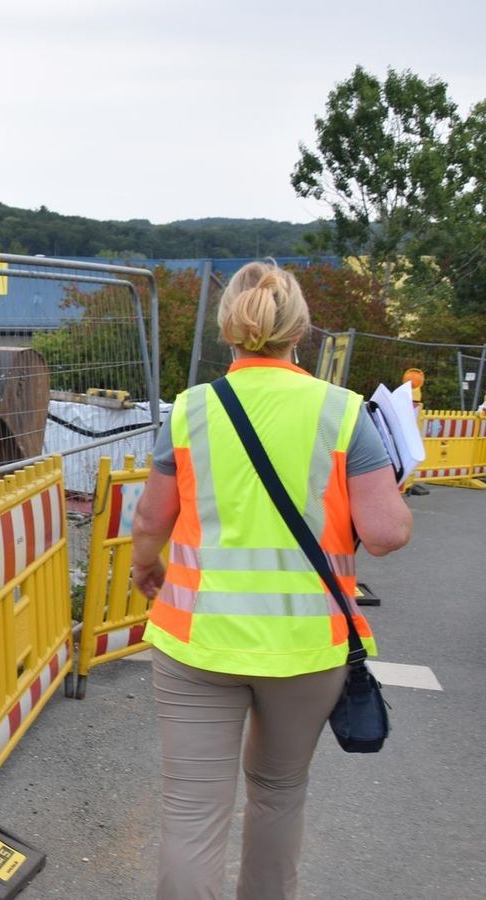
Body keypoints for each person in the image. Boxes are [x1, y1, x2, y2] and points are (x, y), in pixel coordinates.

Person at [129, 261, 412, 900]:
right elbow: (388, 532)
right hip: (309, 649)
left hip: (196, 641)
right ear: (299, 330)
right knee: (279, 796)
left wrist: (146, 565)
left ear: (229, 325)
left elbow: (151, 516)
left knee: (191, 812)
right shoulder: (342, 413)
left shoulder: (190, 411)